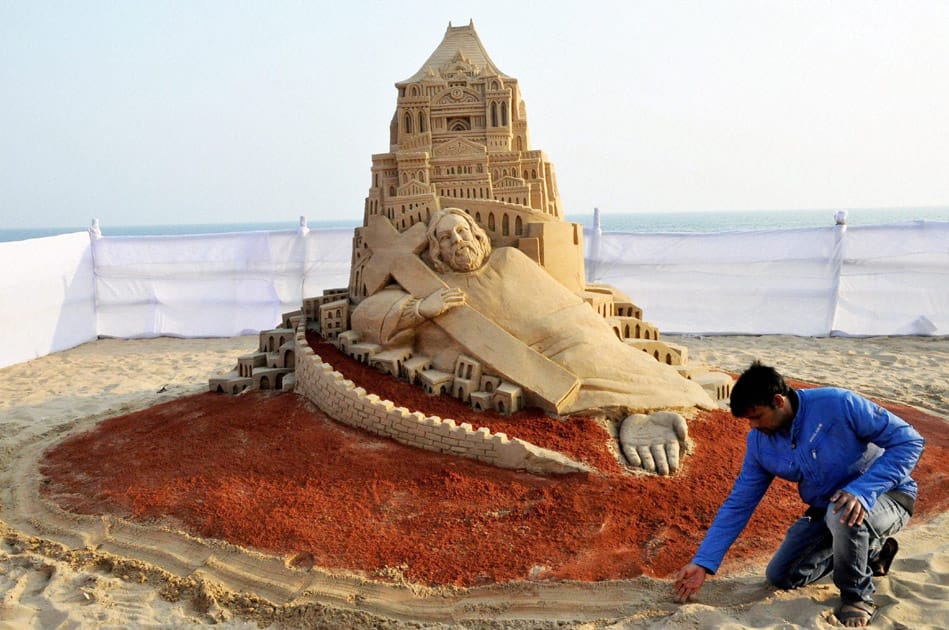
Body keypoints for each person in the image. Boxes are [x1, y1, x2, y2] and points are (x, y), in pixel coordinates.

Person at [350, 208, 713, 471]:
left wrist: (587, 331)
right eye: (445, 238)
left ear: (478, 234)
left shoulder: (510, 260)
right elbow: (365, 316)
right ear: (437, 252)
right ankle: (636, 418)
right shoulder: (437, 289)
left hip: (581, 337)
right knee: (580, 373)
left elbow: (565, 307)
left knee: (610, 357)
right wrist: (420, 308)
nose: (457, 240)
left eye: (462, 232)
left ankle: (652, 404)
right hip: (542, 363)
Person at [673, 361, 924, 627]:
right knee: (781, 576)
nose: (752, 426)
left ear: (778, 401)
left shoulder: (838, 403)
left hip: (888, 496)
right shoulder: (759, 442)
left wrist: (863, 491)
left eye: (756, 416)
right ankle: (872, 551)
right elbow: (739, 503)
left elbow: (909, 441)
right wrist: (703, 562)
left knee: (843, 513)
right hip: (830, 509)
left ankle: (857, 597)